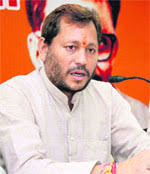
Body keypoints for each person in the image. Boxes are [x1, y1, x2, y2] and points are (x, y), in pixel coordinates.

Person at [0, 4, 150, 174]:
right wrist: (111, 171)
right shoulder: (14, 94)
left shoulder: (107, 96)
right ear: (43, 49)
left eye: (91, 50)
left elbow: (140, 149)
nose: (82, 60)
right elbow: (27, 168)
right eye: (71, 47)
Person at [25, 0, 150, 131]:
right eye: (70, 46)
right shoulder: (16, 102)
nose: (83, 61)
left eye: (99, 44)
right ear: (40, 50)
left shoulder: (138, 116)